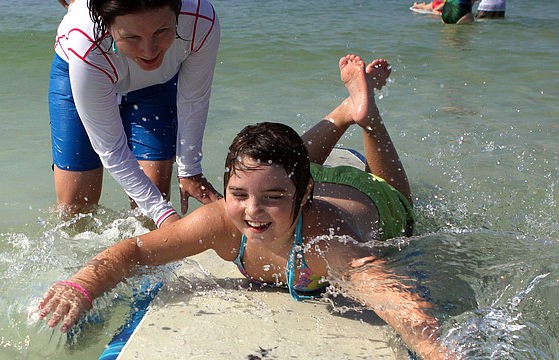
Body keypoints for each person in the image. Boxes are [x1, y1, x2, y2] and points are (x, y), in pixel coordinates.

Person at [37, 54, 455, 359]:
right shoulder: (221, 220)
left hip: (367, 198)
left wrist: (436, 351)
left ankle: (367, 117)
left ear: (303, 197)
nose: (252, 211)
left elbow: (405, 309)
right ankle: (345, 112)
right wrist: (82, 285)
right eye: (237, 195)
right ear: (225, 190)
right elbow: (137, 251)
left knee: (401, 202)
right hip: (306, 184)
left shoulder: (327, 242)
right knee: (277, 166)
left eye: (271, 200)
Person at [48, 0, 222, 229]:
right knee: (75, 210)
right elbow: (111, 148)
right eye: (132, 37)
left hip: (156, 86)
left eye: (161, 31)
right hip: (82, 70)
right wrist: (164, 215)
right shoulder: (86, 41)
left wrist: (190, 171)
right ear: (108, 27)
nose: (149, 51)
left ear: (177, 15)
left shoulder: (201, 19)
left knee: (149, 214)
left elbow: (193, 101)